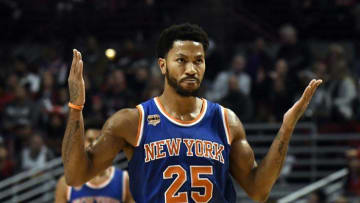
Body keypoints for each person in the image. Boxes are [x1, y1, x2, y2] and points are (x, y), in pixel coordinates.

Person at [62, 23, 322, 203]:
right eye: (182, 60)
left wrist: (286, 129)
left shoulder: (226, 121)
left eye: (198, 60)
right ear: (163, 65)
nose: (191, 68)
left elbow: (258, 190)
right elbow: (75, 176)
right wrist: (76, 108)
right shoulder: (132, 121)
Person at [56, 128, 133, 203]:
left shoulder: (124, 180)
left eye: (100, 140)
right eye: (90, 140)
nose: (95, 144)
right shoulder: (66, 183)